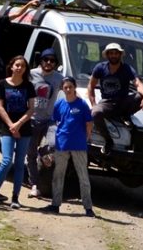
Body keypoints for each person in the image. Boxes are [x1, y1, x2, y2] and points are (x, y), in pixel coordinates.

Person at [0, 55, 36, 209]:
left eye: (22, 66)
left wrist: (18, 125)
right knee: (7, 160)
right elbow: (0, 107)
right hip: (6, 127)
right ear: (11, 66)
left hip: (24, 128)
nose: (19, 68)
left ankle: (15, 197)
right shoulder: (2, 84)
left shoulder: (29, 86)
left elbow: (31, 109)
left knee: (20, 163)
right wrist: (11, 125)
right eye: (17, 65)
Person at [87, 42, 143, 155]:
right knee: (95, 113)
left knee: (140, 96)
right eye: (111, 53)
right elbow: (91, 86)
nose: (113, 55)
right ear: (107, 55)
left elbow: (138, 84)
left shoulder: (127, 68)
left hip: (123, 102)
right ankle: (108, 141)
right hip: (107, 103)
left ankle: (125, 115)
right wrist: (93, 104)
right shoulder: (100, 68)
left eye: (116, 53)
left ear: (120, 55)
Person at [46, 76, 95, 217]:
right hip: (62, 144)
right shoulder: (59, 104)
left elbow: (89, 122)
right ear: (62, 89)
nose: (68, 90)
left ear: (74, 87)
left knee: (83, 176)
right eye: (65, 87)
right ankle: (55, 204)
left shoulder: (82, 104)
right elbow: (54, 122)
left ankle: (88, 208)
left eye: (70, 87)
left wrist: (87, 136)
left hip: (79, 144)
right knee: (58, 175)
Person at [27, 48, 64, 198]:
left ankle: (43, 152)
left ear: (56, 63)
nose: (49, 63)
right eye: (46, 59)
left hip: (50, 119)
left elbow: (71, 89)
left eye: (52, 61)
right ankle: (34, 185)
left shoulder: (59, 78)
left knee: (54, 144)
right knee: (30, 154)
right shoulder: (31, 74)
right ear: (41, 60)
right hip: (32, 119)